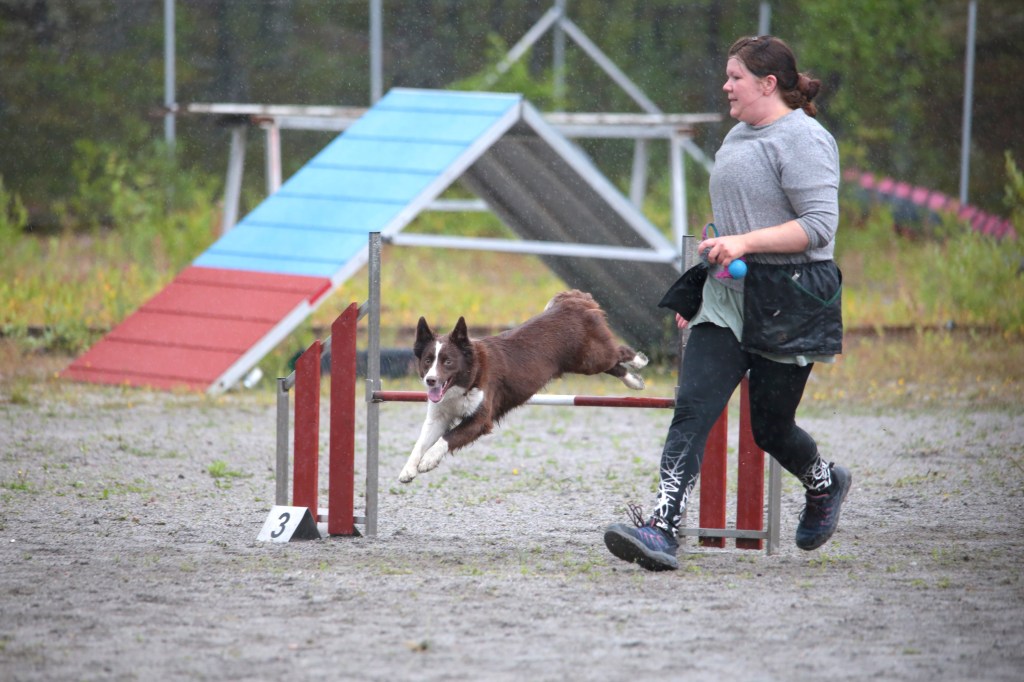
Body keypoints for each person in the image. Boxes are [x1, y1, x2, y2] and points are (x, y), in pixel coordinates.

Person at [604, 35, 851, 572]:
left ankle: (825, 482)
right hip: (726, 296)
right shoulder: (738, 136)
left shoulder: (805, 140)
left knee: (770, 428)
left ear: (768, 84)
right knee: (692, 409)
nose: (726, 86)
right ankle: (662, 527)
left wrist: (744, 242)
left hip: (790, 298)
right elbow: (735, 217)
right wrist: (713, 265)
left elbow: (819, 228)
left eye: (735, 76)